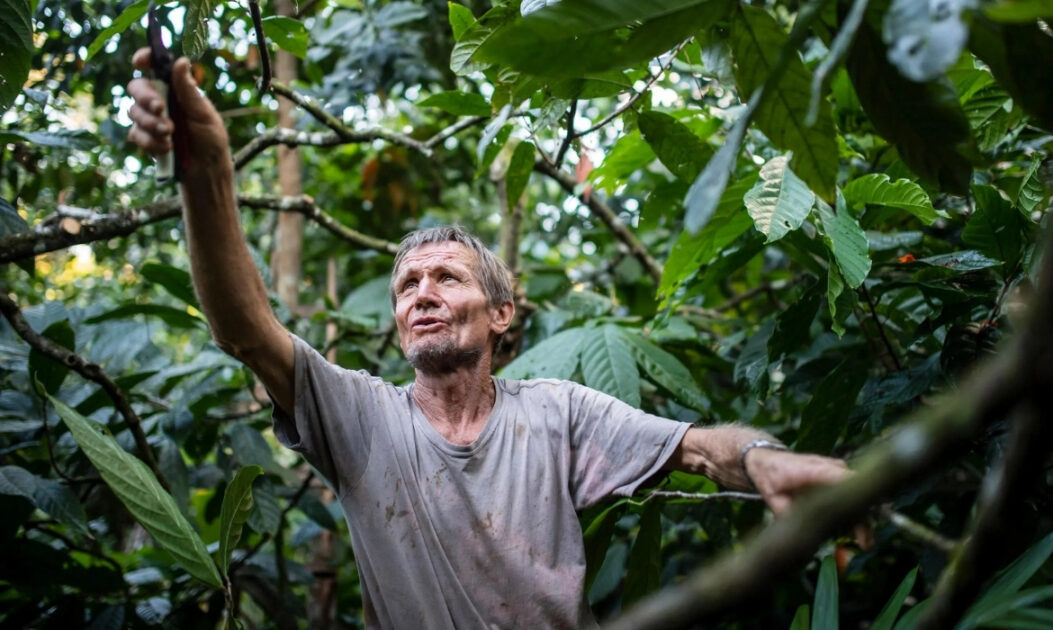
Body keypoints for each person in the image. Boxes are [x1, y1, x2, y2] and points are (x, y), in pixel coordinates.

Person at [127, 52, 855, 629]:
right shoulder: (361, 418)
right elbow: (245, 330)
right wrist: (208, 171)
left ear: (502, 314)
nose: (422, 294)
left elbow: (699, 449)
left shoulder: (557, 412)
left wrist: (763, 461)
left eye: (446, 277)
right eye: (407, 286)